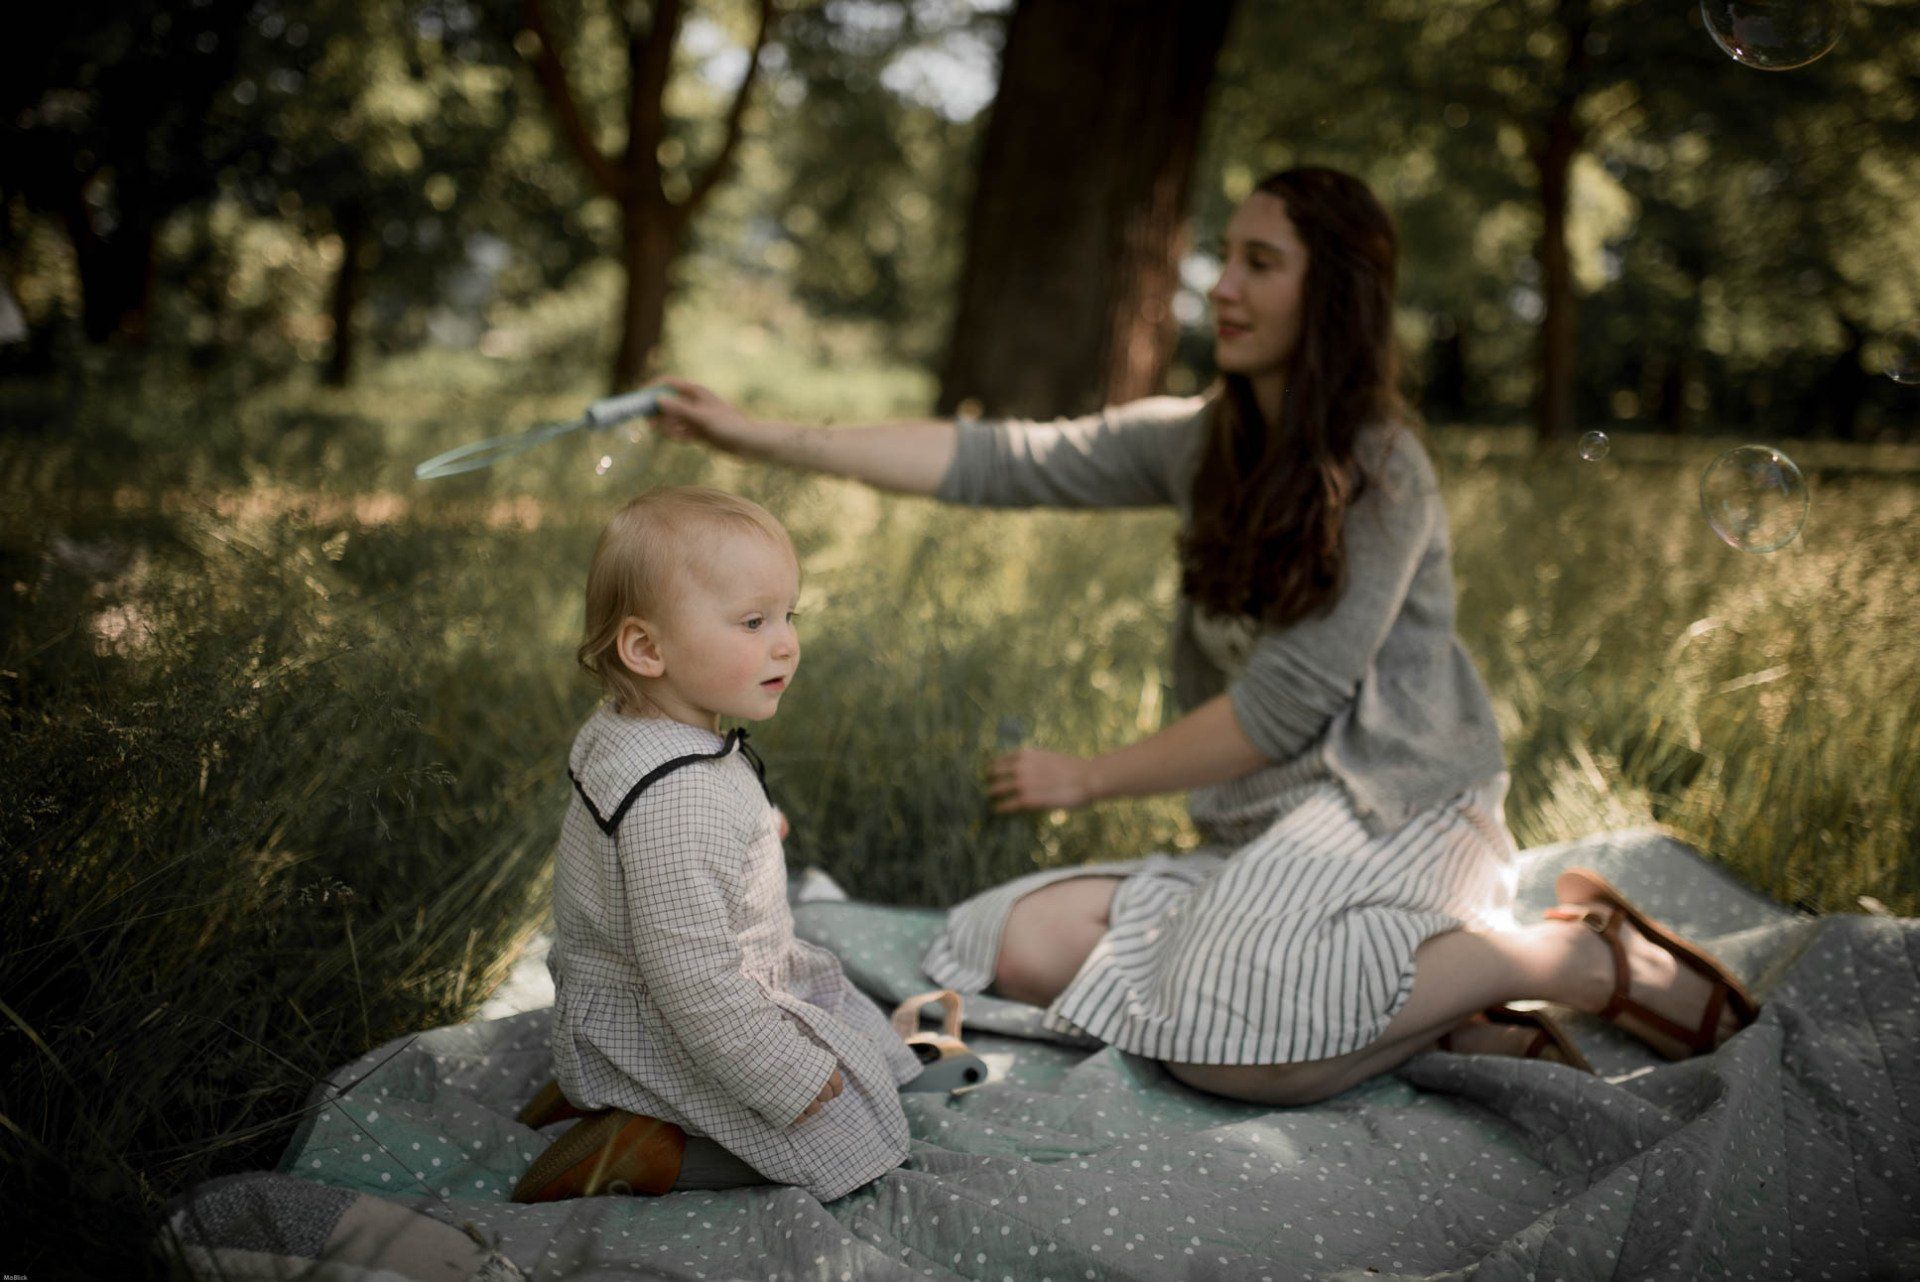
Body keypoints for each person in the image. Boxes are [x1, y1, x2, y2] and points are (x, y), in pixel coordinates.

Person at [646, 167, 1758, 1106]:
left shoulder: (1385, 472)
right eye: (1227, 257)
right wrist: (759, 438)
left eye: (1260, 263)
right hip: (1262, 834)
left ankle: (1567, 956)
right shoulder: (1196, 442)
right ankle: (1429, 1004)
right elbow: (999, 461)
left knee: (1225, 1048)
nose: (1221, 286)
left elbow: (1280, 709)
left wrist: (1086, 777)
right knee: (1009, 944)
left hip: (1397, 808)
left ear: (1333, 294)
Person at [510, 486, 925, 1203]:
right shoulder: (678, 798)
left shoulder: (628, 729)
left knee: (866, 1051)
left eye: (790, 615)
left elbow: (649, 845)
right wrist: (784, 1075)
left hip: (631, 1001)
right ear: (647, 648)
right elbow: (694, 981)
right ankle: (653, 1148)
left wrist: (751, 830)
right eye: (754, 621)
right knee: (861, 1134)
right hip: (684, 1026)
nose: (786, 642)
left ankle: (606, 1092)